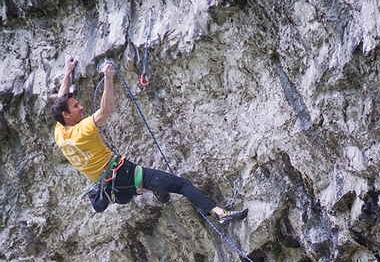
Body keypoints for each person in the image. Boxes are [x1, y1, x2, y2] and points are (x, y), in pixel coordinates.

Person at [51, 55, 248, 225]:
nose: (81, 108)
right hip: (126, 175)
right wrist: (108, 78)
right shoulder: (83, 130)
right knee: (181, 185)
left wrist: (68, 72)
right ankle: (220, 214)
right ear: (67, 115)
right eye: (76, 106)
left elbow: (60, 99)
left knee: (153, 184)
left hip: (115, 191)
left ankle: (158, 192)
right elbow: (106, 110)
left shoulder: (60, 133)